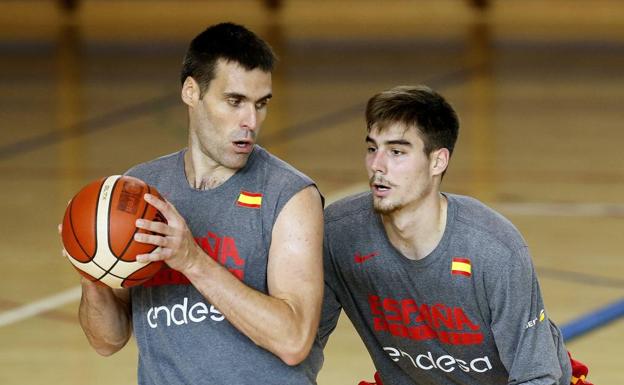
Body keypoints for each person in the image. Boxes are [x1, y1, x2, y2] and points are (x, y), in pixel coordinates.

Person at [76, 22, 324, 385]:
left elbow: (293, 340)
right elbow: (107, 341)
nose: (251, 122)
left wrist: (191, 260)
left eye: (261, 104)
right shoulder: (144, 189)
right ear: (192, 92)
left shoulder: (290, 196)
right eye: (235, 101)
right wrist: (92, 270)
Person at [319, 85, 578, 385]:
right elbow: (303, 346)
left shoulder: (494, 249)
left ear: (438, 161)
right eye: (372, 148)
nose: (378, 166)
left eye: (397, 152)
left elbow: (538, 377)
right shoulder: (338, 235)